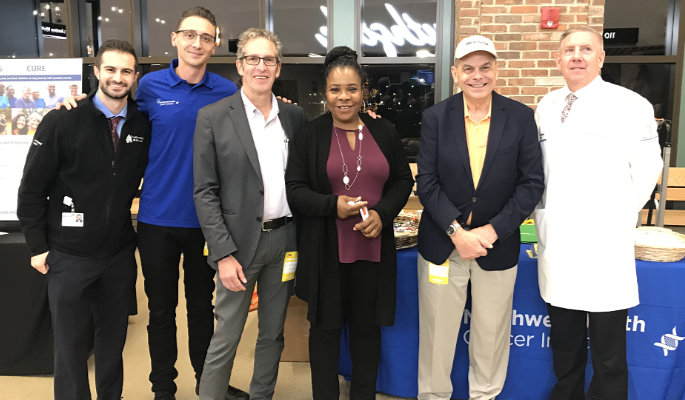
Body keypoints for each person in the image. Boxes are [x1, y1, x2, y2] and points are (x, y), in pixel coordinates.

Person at [59, 7, 246, 399]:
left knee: (201, 308)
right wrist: (74, 106)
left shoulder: (228, 92)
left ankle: (207, 383)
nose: (197, 43)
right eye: (190, 35)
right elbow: (109, 110)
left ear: (215, 43)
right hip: (157, 221)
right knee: (160, 312)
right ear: (175, 39)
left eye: (206, 37)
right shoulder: (149, 88)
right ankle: (163, 388)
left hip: (207, 223)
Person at [16, 39, 150, 400]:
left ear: (135, 76)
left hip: (118, 256)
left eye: (126, 71)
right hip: (68, 256)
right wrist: (37, 247)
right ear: (96, 72)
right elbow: (31, 190)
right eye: (110, 69)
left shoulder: (142, 122)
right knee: (70, 349)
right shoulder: (62, 120)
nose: (118, 78)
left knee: (112, 346)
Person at [534, 26, 662, 400]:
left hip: (604, 246)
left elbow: (647, 170)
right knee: (565, 346)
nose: (577, 55)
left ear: (601, 57)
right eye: (569, 49)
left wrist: (613, 218)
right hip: (558, 244)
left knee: (608, 355)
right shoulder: (547, 106)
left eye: (586, 49)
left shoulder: (630, 105)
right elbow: (539, 173)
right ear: (558, 59)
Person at [415, 35, 544, 400]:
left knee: (490, 334)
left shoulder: (520, 118)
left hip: (496, 247)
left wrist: (492, 230)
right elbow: (427, 183)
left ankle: (484, 396)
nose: (477, 76)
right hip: (443, 245)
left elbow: (531, 183)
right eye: (468, 68)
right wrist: (457, 231)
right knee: (438, 335)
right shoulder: (436, 118)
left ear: (496, 70)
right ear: (455, 73)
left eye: (485, 67)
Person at [285, 46, 413, 400]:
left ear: (363, 90)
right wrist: (333, 206)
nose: (344, 97)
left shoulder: (383, 130)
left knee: (366, 333)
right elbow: (295, 191)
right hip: (327, 251)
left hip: (372, 251)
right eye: (335, 90)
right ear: (325, 92)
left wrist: (382, 214)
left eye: (352, 89)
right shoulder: (310, 135)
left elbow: (404, 181)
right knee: (325, 333)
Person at [193, 28, 305, 400]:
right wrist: (222, 253)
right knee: (227, 333)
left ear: (278, 67)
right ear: (240, 65)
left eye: (268, 59)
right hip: (237, 246)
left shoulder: (294, 116)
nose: (261, 66)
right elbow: (204, 192)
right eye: (253, 59)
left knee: (273, 332)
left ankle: (262, 395)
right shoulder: (212, 117)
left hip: (285, 242)